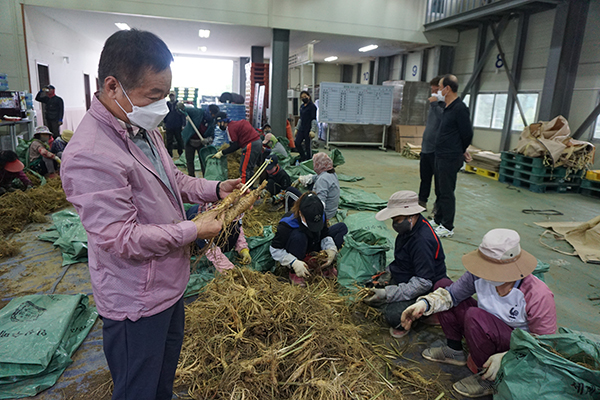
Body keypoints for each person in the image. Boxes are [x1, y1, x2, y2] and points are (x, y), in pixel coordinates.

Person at [60, 29, 242, 400]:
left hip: (170, 284)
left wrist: (213, 189)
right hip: (136, 299)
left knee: (162, 379)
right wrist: (193, 229)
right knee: (137, 389)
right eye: (154, 96)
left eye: (167, 95)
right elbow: (120, 238)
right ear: (113, 87)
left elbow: (170, 177)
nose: (163, 106)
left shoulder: (141, 128)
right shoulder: (91, 154)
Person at [401, 229, 556, 398]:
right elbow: (451, 294)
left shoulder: (537, 294)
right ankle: (454, 350)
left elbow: (545, 343)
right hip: (485, 327)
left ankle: (490, 377)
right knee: (443, 284)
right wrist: (424, 304)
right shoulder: (478, 275)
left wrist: (507, 357)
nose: (486, 273)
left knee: (475, 316)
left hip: (515, 344)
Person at [363, 191, 448, 338]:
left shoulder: (422, 240)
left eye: (398, 219)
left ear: (412, 215)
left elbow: (423, 282)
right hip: (406, 277)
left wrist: (388, 293)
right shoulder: (408, 229)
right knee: (370, 287)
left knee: (394, 317)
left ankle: (426, 312)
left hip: (423, 285)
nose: (395, 223)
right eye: (394, 219)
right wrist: (386, 274)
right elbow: (402, 259)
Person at [270, 192, 348, 285]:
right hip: (298, 247)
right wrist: (293, 262)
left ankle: (321, 263)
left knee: (341, 228)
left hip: (314, 243)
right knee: (299, 236)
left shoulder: (319, 214)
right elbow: (275, 249)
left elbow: (324, 234)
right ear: (300, 214)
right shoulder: (287, 224)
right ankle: (296, 273)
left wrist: (330, 248)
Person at [431, 74, 473, 238]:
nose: (438, 91)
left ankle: (447, 226)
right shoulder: (448, 107)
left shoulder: (460, 108)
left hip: (450, 156)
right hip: (441, 155)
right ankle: (438, 219)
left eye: (440, 87)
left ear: (447, 89)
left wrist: (460, 150)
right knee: (440, 190)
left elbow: (467, 133)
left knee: (447, 191)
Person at [186, 204, 251, 273]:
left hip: (218, 236)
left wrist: (243, 249)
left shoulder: (232, 210)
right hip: (198, 243)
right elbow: (209, 247)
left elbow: (238, 228)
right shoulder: (203, 220)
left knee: (233, 229)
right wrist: (228, 269)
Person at [213, 112, 262, 184]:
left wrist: (222, 153)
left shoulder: (230, 128)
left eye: (218, 123)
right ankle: (250, 188)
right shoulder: (235, 124)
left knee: (244, 169)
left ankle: (244, 191)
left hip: (250, 145)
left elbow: (235, 146)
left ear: (222, 122)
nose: (218, 125)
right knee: (250, 168)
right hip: (258, 142)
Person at [418, 76, 444, 211]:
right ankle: (421, 202)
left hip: (437, 150)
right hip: (426, 148)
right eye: (432, 90)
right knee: (425, 179)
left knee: (439, 182)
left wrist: (435, 103)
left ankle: (438, 206)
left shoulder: (445, 105)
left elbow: (444, 119)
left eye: (436, 89)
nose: (433, 92)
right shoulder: (433, 104)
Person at [298, 153, 340, 221]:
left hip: (326, 214)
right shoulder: (331, 173)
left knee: (291, 191)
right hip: (332, 211)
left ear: (318, 165)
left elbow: (320, 202)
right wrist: (307, 178)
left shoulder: (322, 180)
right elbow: (316, 177)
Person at [181, 103, 219, 177]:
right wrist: (181, 107)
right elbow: (185, 109)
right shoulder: (198, 112)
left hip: (201, 143)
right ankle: (191, 177)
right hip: (190, 140)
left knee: (203, 161)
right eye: (213, 115)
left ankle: (205, 177)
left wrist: (208, 140)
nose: (213, 117)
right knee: (189, 161)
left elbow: (212, 135)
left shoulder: (212, 122)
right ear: (210, 111)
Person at [294, 91, 317, 161]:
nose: (304, 98)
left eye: (305, 96)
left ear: (309, 96)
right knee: (297, 143)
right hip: (302, 128)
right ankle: (303, 157)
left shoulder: (312, 107)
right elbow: (300, 119)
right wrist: (297, 128)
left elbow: (314, 119)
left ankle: (309, 159)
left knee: (308, 146)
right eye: (302, 97)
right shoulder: (302, 107)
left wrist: (313, 130)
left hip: (308, 129)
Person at [163, 92, 185, 157]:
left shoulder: (179, 104)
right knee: (169, 140)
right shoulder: (167, 104)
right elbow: (164, 114)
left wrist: (183, 124)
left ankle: (180, 154)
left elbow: (183, 114)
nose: (171, 97)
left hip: (178, 125)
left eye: (173, 96)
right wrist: (164, 123)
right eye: (170, 96)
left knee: (179, 140)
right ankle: (169, 155)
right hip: (169, 125)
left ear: (175, 96)